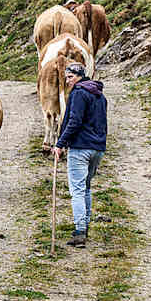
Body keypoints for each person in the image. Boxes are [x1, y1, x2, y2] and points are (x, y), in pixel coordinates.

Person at [53, 61, 108, 248]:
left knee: (76, 190)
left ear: (80, 77)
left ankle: (80, 231)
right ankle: (85, 225)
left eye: (71, 77)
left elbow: (74, 121)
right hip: (97, 149)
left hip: (80, 148)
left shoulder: (78, 94)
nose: (68, 81)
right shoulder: (100, 96)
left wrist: (60, 144)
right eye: (66, 77)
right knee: (86, 187)